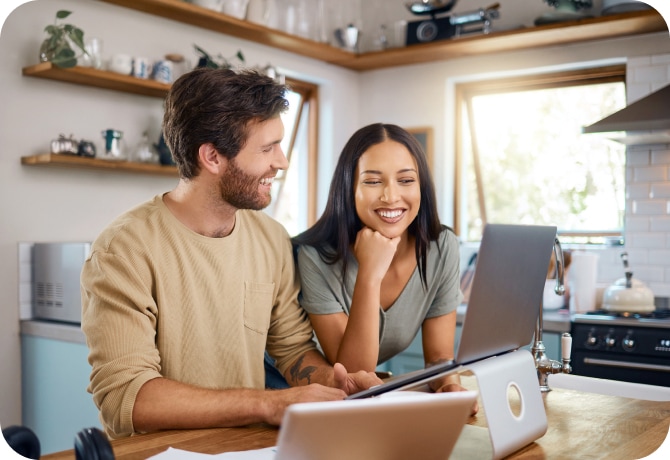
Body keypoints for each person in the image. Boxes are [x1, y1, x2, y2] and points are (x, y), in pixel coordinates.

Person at [80, 68, 382, 439]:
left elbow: (292, 350)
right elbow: (127, 400)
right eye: (267, 148)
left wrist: (336, 385)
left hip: (246, 448)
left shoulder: (271, 238)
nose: (282, 161)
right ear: (212, 157)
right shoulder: (123, 251)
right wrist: (267, 404)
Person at [293, 123, 476, 406]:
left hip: (355, 403)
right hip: (295, 394)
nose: (391, 196)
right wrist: (369, 275)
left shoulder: (441, 247)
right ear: (349, 188)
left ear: (421, 187)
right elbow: (354, 374)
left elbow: (439, 357)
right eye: (373, 181)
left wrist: (449, 386)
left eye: (405, 180)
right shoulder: (314, 256)